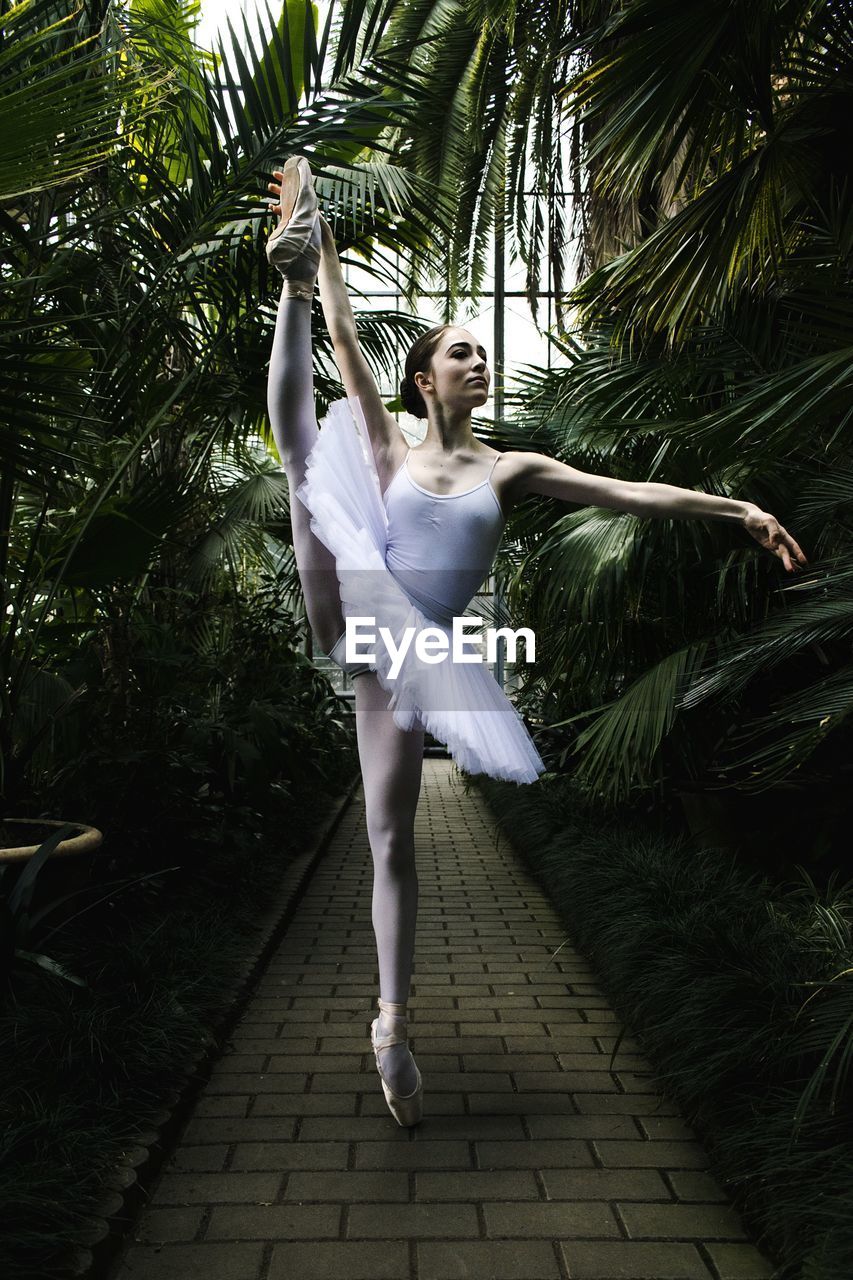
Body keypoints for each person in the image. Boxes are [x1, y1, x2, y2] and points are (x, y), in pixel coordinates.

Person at [264, 156, 808, 1127]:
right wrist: (318, 236)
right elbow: (348, 334)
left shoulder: (511, 466)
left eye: (483, 351)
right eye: (461, 352)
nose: (480, 361)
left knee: (399, 840)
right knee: (308, 443)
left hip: (427, 643)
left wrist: (739, 508)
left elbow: (629, 492)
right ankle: (290, 279)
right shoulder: (389, 445)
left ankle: (392, 1020)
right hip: (368, 612)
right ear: (425, 378)